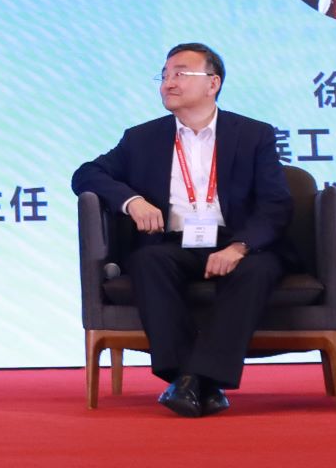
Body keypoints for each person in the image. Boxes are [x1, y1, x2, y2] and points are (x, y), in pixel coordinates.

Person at [69, 43, 293, 417]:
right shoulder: (142, 138)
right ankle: (196, 380)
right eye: (164, 75)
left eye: (180, 74)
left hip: (237, 242)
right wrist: (132, 201)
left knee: (257, 269)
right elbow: (86, 174)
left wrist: (239, 247)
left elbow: (276, 204)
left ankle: (191, 382)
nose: (168, 83)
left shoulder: (253, 134)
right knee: (148, 262)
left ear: (213, 83)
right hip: (173, 242)